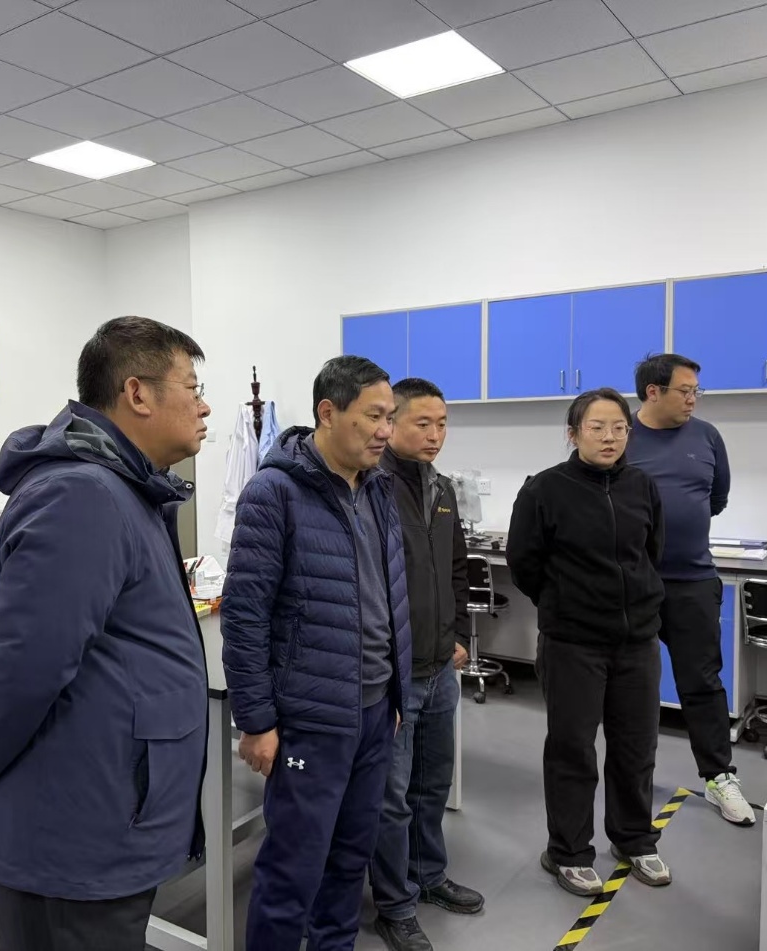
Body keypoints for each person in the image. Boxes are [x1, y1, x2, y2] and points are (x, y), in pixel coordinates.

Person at [0, 316, 211, 951]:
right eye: (193, 388)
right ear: (137, 393)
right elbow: (21, 670)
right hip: (72, 836)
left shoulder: (126, 490)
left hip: (103, 813)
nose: (204, 407)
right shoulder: (82, 496)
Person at [223, 355, 412, 951]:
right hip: (311, 719)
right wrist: (257, 722)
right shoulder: (273, 493)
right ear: (328, 413)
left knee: (350, 856)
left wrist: (397, 693)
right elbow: (246, 617)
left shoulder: (377, 487)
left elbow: (388, 595)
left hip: (375, 710)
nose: (386, 431)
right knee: (292, 866)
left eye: (390, 417)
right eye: (374, 416)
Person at [507, 387, 671, 896]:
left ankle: (634, 838)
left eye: (619, 428)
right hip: (573, 643)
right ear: (573, 433)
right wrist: (566, 603)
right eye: (596, 427)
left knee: (636, 745)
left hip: (637, 642)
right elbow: (524, 563)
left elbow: (651, 552)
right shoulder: (544, 490)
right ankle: (568, 851)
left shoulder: (642, 486)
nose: (609, 437)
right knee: (573, 749)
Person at [369, 378, 482, 951]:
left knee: (432, 784)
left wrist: (460, 634)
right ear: (391, 422)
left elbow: (457, 567)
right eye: (423, 423)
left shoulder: (441, 488)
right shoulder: (372, 487)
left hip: (440, 668)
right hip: (394, 675)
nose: (435, 435)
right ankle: (394, 904)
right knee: (391, 796)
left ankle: (427, 875)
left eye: (442, 424)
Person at [628, 353, 755, 827]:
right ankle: (631, 780)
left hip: (694, 581)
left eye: (697, 390)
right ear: (653, 392)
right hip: (634, 584)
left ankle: (719, 777)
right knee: (631, 687)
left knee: (702, 682)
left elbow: (716, 499)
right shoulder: (620, 434)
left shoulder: (707, 437)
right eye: (685, 390)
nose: (693, 399)